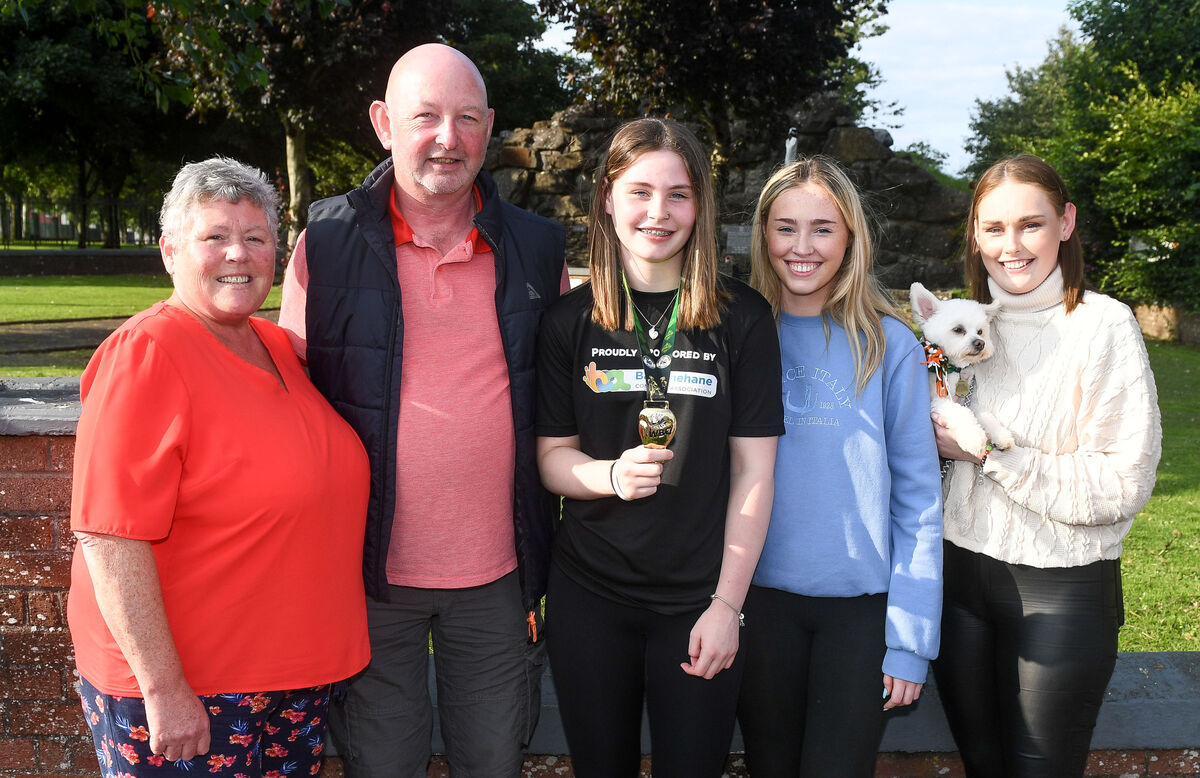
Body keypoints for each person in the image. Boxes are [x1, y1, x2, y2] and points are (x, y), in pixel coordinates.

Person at [277, 43, 567, 777]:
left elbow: (571, 398)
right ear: (383, 123)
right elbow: (286, 403)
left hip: (500, 579)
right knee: (380, 765)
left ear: (490, 126)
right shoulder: (328, 245)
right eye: (426, 116)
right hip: (368, 577)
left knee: (493, 762)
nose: (448, 137)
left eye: (467, 118)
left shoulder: (537, 249)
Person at [67, 157, 371, 777]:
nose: (239, 253)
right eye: (215, 237)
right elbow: (109, 537)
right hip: (192, 694)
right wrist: (164, 691)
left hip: (288, 682)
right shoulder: (147, 353)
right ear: (170, 250)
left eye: (256, 237)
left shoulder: (278, 347)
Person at [535, 117, 783, 777]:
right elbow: (552, 459)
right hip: (590, 597)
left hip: (700, 601)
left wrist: (728, 604)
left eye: (678, 194)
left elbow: (754, 471)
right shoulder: (567, 321)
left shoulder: (744, 319)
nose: (658, 211)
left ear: (699, 206)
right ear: (608, 198)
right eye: (640, 190)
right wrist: (608, 475)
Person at [932, 154, 1162, 777]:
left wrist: (988, 454)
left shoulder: (1103, 326)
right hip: (958, 579)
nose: (1011, 246)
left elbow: (1124, 482)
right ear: (975, 236)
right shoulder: (958, 328)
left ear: (1065, 223)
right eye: (993, 228)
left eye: (1030, 225)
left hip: (1060, 589)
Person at [736, 157, 943, 777]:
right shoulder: (737, 334)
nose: (802, 247)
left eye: (823, 228)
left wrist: (909, 640)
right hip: (757, 603)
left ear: (851, 236)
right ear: (762, 235)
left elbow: (919, 499)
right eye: (786, 227)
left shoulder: (889, 344)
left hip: (861, 613)